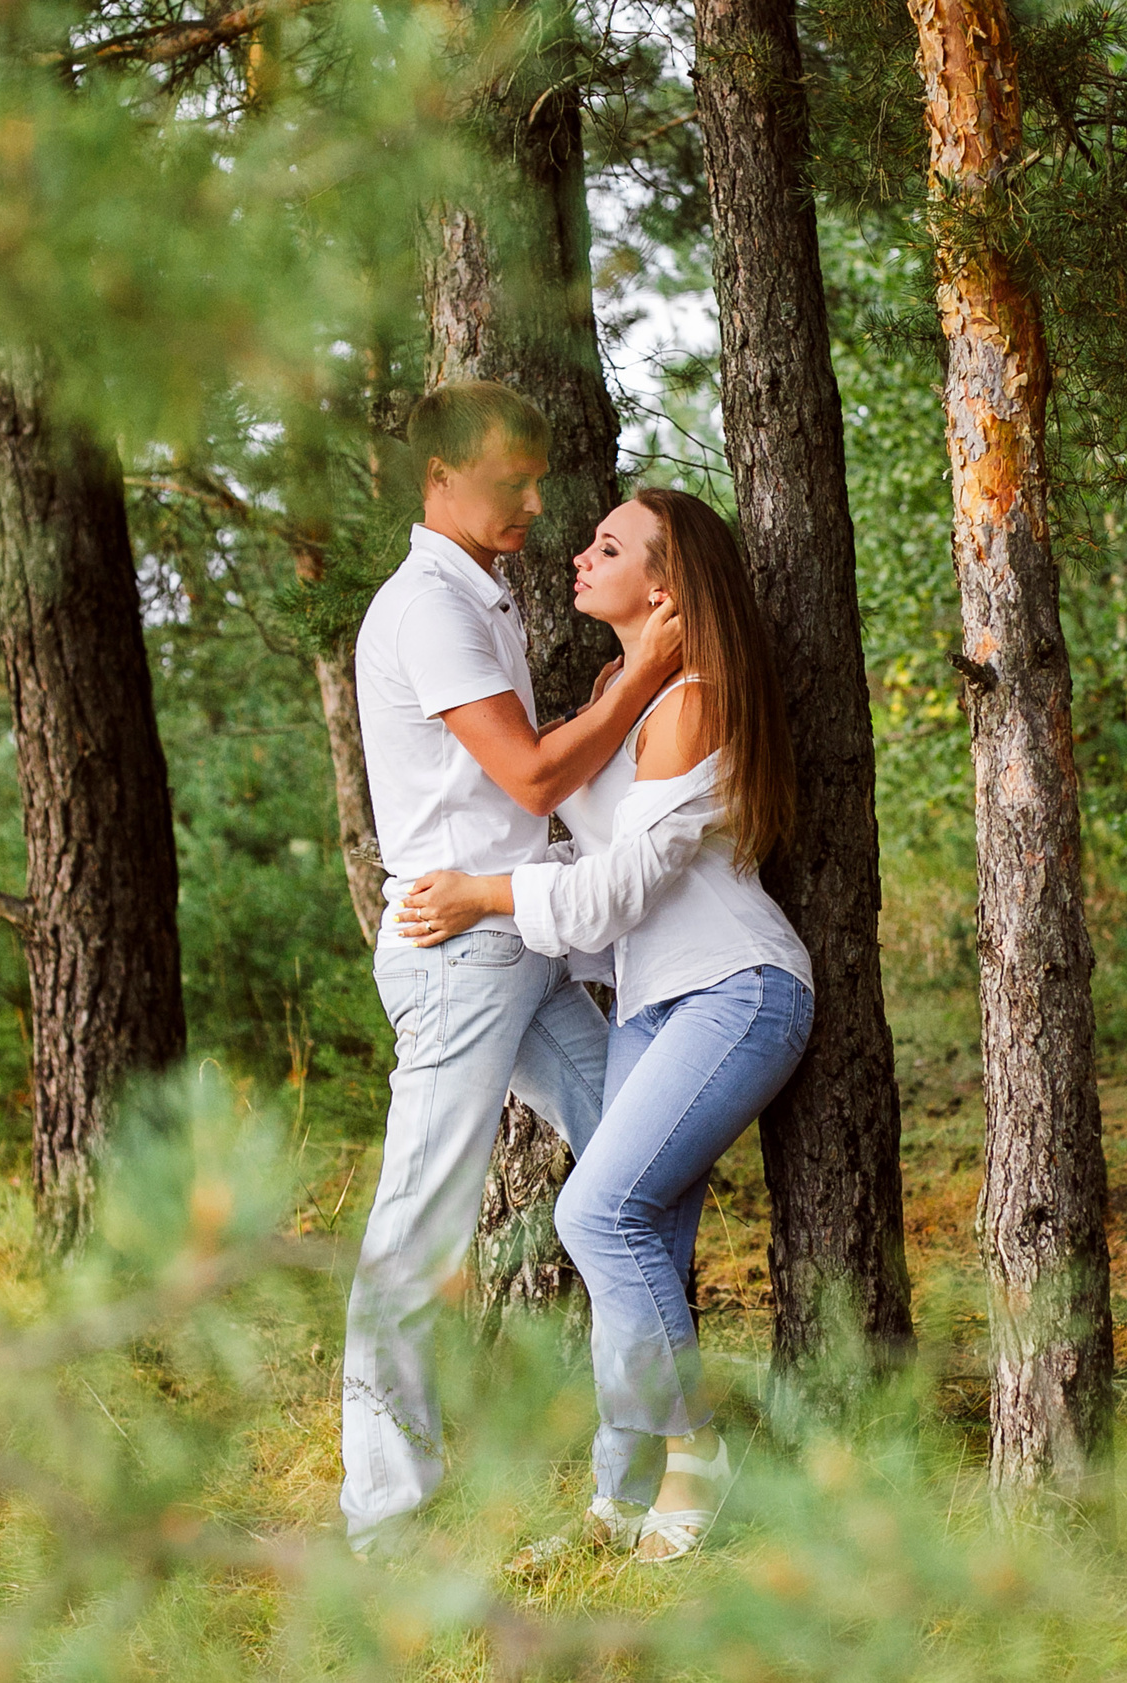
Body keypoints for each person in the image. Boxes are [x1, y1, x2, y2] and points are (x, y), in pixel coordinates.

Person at [395, 487, 813, 1562]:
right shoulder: (624, 692)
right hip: (647, 999)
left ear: (664, 589)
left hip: (736, 990)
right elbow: (588, 864)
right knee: (640, 1239)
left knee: (594, 1217)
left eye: (609, 546)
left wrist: (487, 895)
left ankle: (699, 1455)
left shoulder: (693, 703)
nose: (580, 553)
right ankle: (617, 1505)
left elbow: (614, 894)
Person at [338, 381, 686, 1558]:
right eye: (514, 481)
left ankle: (665, 1481)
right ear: (441, 474)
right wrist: (648, 666)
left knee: (638, 1170)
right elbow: (530, 779)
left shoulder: (474, 596)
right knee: (415, 1238)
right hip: (462, 956)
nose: (537, 502)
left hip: (519, 942)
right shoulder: (426, 606)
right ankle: (386, 1530)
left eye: (541, 482)